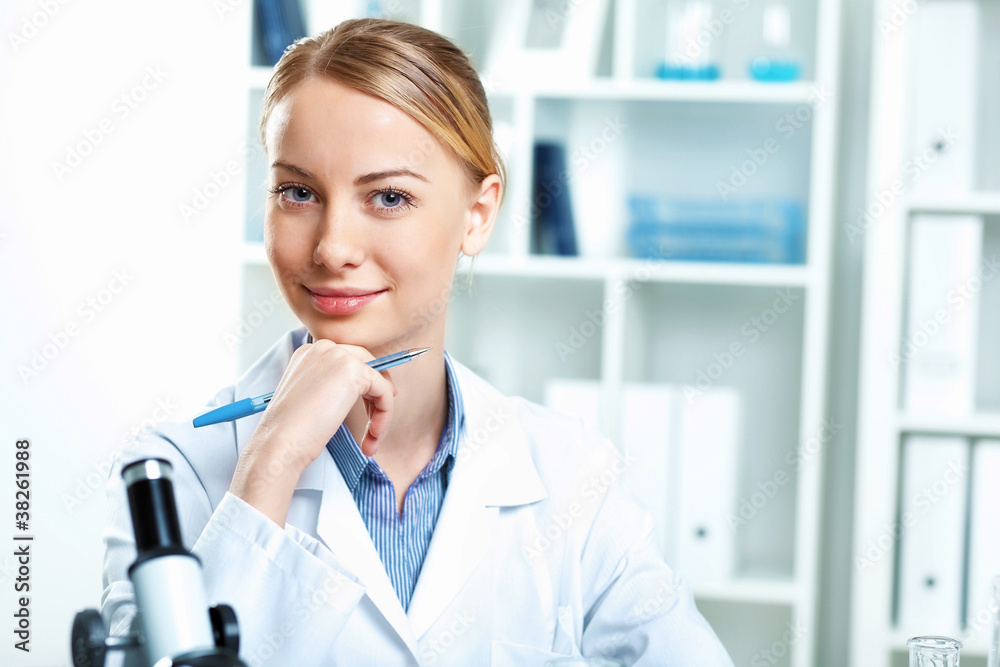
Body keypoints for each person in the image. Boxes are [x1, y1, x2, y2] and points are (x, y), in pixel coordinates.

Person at [101, 18, 734, 666]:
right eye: (298, 192)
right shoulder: (175, 473)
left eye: (388, 197)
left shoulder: (575, 478)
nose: (333, 247)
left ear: (477, 214)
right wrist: (272, 462)